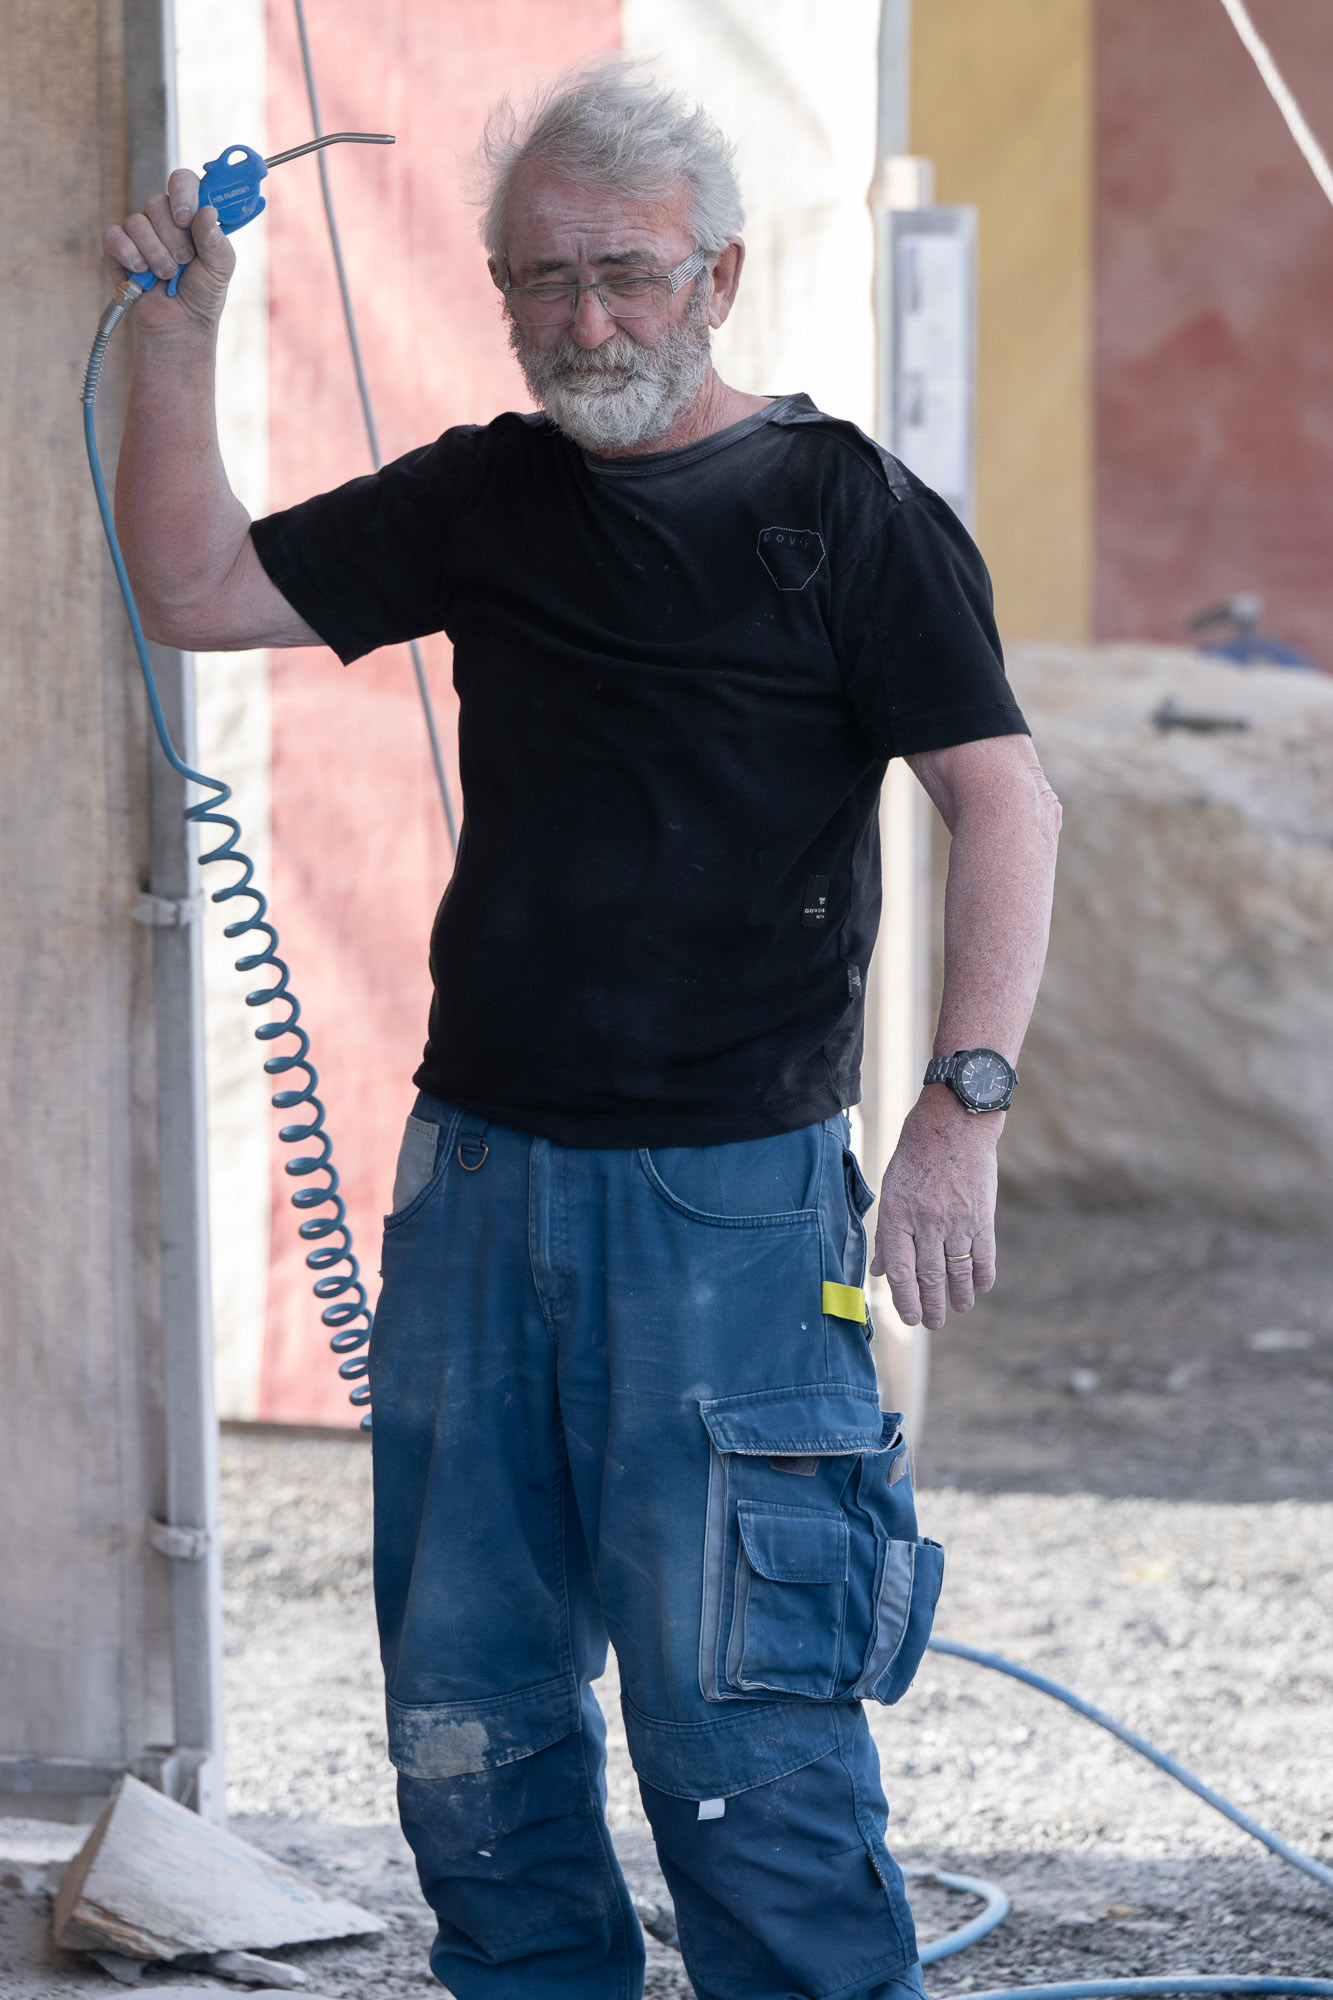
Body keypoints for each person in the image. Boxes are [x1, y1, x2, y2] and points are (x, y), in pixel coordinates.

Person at [106, 61, 1060, 2000]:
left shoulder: (845, 512)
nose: (585, 321)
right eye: (540, 279)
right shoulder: (486, 495)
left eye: (625, 274)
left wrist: (959, 1113)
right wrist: (180, 338)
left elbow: (1005, 800)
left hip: (734, 1208)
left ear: (719, 277)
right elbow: (195, 586)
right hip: (477, 1178)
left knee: (744, 1719)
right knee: (469, 1709)